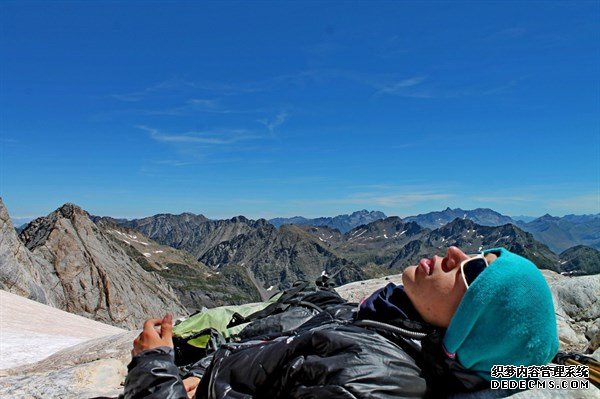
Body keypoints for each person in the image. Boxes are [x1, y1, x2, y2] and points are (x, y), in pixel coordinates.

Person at [122, 246, 559, 398]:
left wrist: (154, 368)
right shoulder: (389, 329)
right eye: (481, 253)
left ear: (470, 331)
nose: (454, 254)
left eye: (474, 273)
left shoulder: (371, 380)